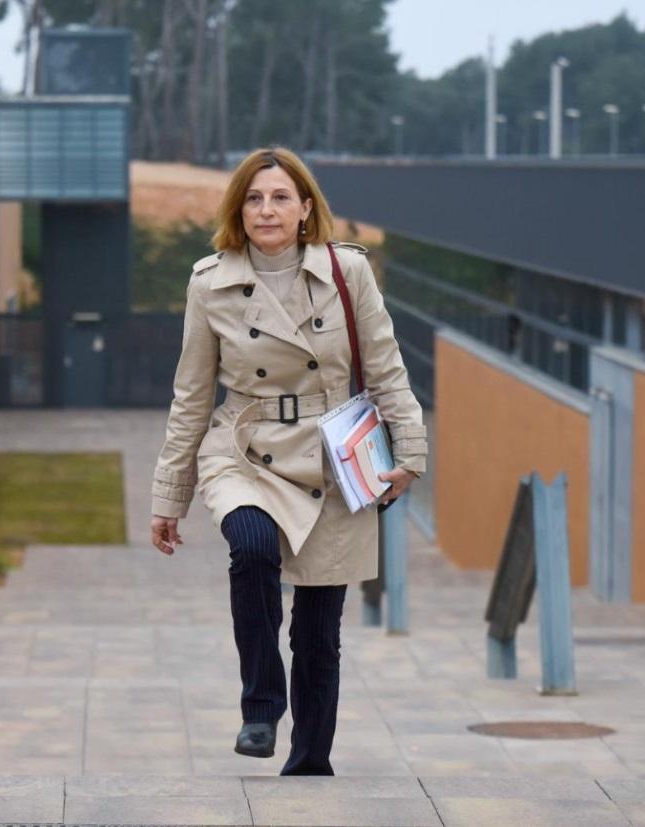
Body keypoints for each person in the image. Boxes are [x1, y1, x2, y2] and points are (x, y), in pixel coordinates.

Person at [148, 147, 427, 776]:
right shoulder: (209, 283)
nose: (266, 209)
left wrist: (410, 452)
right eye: (253, 198)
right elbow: (192, 396)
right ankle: (260, 704)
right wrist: (171, 496)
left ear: (305, 208)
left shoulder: (347, 273)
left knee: (318, 636)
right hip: (244, 449)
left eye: (280, 198)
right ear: (238, 211)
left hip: (331, 458)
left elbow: (385, 368)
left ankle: (309, 766)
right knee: (250, 548)